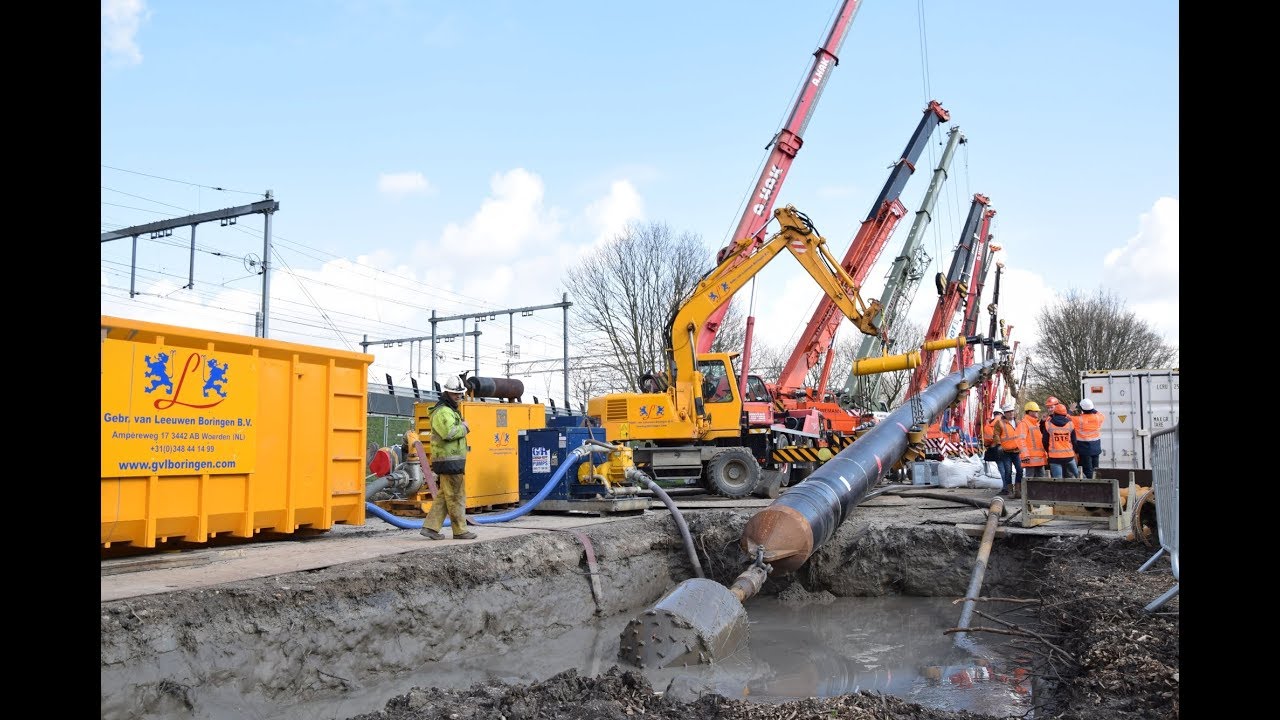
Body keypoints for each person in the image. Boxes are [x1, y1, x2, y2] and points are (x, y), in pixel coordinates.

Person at [420, 375, 478, 540]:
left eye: (460, 394)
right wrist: (465, 427)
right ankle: (460, 531)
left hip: (451, 460)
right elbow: (449, 433)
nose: (458, 397)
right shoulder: (443, 411)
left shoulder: (449, 410)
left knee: (445, 495)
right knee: (456, 495)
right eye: (455, 394)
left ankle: (430, 527)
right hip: (448, 461)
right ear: (447, 393)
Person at [1042, 402, 1079, 479]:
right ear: (1065, 413)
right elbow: (1074, 441)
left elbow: (1045, 441)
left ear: (1054, 413)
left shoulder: (1048, 424)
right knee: (1078, 477)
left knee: (1058, 480)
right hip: (1069, 456)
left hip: (1054, 457)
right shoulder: (1070, 424)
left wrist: (1049, 451)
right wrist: (1072, 451)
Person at [993, 405, 1024, 496]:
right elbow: (996, 435)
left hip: (1017, 450)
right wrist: (999, 445)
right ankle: (1010, 490)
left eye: (1012, 411)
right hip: (1006, 451)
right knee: (1008, 471)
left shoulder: (1018, 422)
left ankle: (1018, 490)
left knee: (1020, 470)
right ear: (1005, 413)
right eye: (1009, 412)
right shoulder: (1000, 423)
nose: (1011, 413)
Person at [1073, 398, 1105, 478]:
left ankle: (1090, 484)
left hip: (1085, 450)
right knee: (1096, 470)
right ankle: (1097, 484)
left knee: (1088, 471)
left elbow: (1066, 417)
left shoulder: (1078, 420)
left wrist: (1071, 410)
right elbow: (1100, 414)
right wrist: (1091, 408)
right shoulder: (1098, 418)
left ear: (1081, 409)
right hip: (1096, 449)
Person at [1018, 401, 1048, 484]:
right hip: (1030, 458)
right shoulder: (1024, 424)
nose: (1037, 413)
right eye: (1036, 411)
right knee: (1030, 480)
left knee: (1041, 480)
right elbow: (1021, 440)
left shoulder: (1035, 424)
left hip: (1039, 457)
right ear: (1030, 412)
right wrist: (1025, 455)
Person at [981, 409, 1004, 476]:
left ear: (994, 414)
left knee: (1000, 465)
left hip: (994, 448)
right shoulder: (1005, 423)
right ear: (1001, 414)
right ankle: (1008, 481)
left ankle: (1005, 481)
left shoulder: (988, 426)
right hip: (1006, 447)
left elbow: (987, 440)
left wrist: (987, 445)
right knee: (1007, 466)